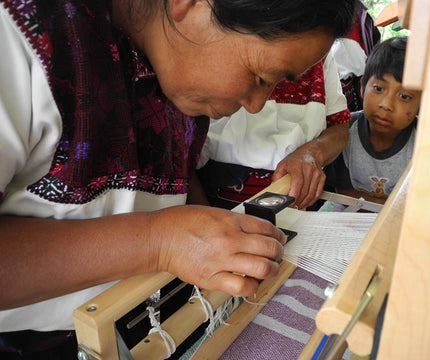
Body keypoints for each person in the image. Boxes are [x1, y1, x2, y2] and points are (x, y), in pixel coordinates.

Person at [0, 0, 355, 358]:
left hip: (144, 331)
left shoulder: (178, 75)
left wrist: (208, 240)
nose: (257, 104)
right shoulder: (18, 33)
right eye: (262, 77)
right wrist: (159, 242)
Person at [197, 50, 351, 211]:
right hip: (219, 194)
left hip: (298, 198)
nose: (255, 106)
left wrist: (311, 153)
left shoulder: (320, 53)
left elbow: (339, 128)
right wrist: (202, 215)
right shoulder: (216, 49)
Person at [325, 36, 421, 205]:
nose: (386, 105)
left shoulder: (424, 141)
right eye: (378, 88)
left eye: (404, 96)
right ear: (362, 87)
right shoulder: (343, 131)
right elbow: (343, 191)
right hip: (349, 215)